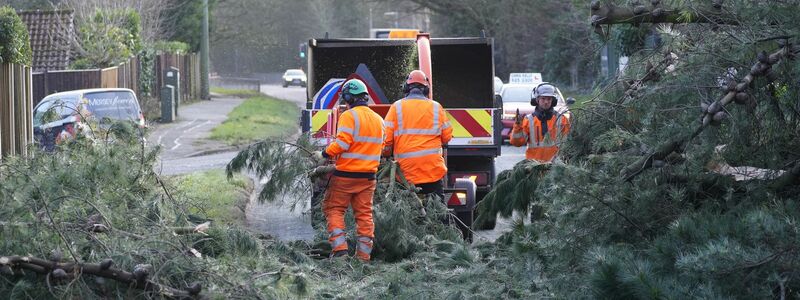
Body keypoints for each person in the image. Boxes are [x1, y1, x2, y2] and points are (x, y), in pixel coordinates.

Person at [312, 79, 384, 261]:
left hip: (345, 176)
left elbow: (342, 143)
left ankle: (340, 251)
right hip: (368, 177)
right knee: (364, 215)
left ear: (348, 97)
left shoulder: (348, 116)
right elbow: (381, 147)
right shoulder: (378, 120)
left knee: (334, 209)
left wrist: (323, 154)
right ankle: (363, 257)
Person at [383, 70, 453, 199]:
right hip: (432, 171)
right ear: (426, 89)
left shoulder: (396, 107)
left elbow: (386, 140)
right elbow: (447, 137)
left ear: (406, 88)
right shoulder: (436, 107)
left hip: (405, 173)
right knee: (438, 210)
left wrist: (386, 155)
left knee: (405, 209)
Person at [509, 82, 570, 162]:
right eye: (543, 98)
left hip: (556, 167)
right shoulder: (528, 120)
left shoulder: (562, 119)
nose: (546, 102)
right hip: (533, 167)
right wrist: (517, 126)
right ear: (537, 100)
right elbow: (517, 143)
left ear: (553, 101)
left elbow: (569, 144)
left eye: (549, 99)